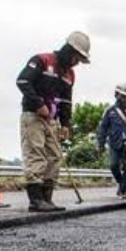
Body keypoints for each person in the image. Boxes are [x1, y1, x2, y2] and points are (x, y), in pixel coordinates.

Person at [15, 31, 91, 212]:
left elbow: (66, 102)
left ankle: (47, 198)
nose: (77, 63)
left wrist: (65, 125)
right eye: (77, 58)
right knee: (36, 154)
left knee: (55, 157)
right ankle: (35, 200)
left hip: (52, 120)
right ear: (69, 50)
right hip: (33, 116)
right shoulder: (42, 60)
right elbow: (23, 81)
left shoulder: (69, 75)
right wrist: (38, 103)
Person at [96, 83, 126, 198]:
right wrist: (100, 144)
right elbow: (102, 128)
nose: (123, 98)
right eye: (121, 95)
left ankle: (122, 189)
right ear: (116, 94)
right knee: (113, 165)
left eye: (125, 96)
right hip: (114, 143)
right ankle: (123, 184)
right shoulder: (109, 111)